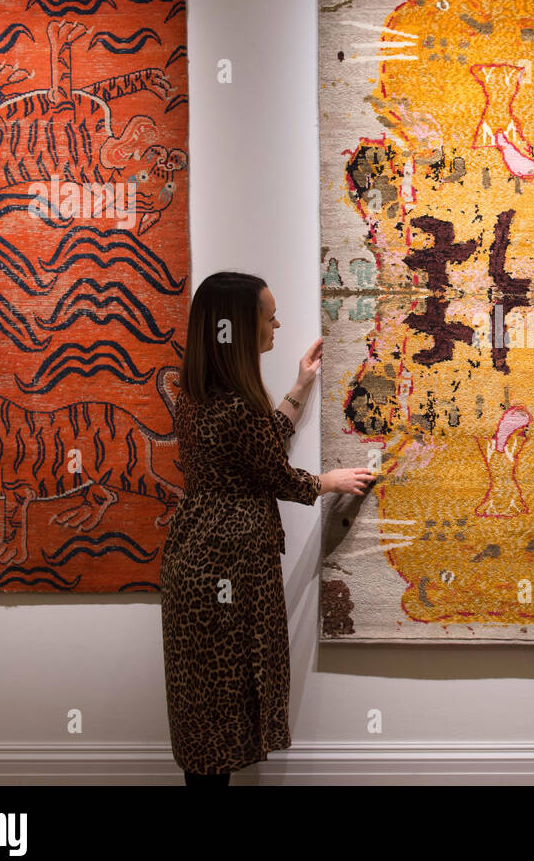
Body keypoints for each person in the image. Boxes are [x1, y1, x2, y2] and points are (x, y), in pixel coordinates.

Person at [160, 271, 374, 786]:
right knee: (224, 707)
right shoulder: (235, 403)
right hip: (226, 567)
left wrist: (299, 387)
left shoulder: (198, 393)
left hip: (193, 560)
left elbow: (254, 450)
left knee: (205, 715)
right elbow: (276, 475)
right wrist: (328, 481)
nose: (277, 323)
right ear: (236, 325)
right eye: (268, 314)